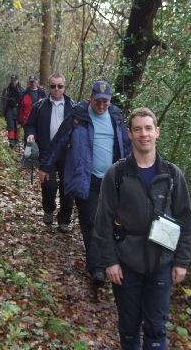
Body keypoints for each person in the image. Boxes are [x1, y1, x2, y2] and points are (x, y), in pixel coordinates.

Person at [93, 107, 191, 350]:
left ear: (157, 132)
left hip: (162, 261)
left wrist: (181, 261)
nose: (143, 134)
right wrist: (110, 261)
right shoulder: (117, 174)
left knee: (156, 325)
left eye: (148, 128)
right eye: (137, 129)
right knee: (129, 324)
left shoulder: (172, 175)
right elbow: (102, 222)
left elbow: (186, 221)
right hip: (127, 262)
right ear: (130, 134)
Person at [40, 80, 132, 285]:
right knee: (90, 221)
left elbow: (126, 146)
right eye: (98, 101)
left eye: (105, 102)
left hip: (111, 180)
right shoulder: (78, 116)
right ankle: (97, 268)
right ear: (90, 98)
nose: (101, 105)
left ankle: (109, 260)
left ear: (110, 101)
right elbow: (59, 141)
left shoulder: (116, 117)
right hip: (85, 177)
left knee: (110, 221)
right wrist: (46, 166)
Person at [24, 73, 75, 232]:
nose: (56, 89)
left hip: (67, 153)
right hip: (47, 152)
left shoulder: (73, 106)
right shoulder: (40, 106)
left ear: (65, 87)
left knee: (68, 187)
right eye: (53, 86)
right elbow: (29, 125)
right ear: (48, 87)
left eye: (60, 86)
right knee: (49, 184)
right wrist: (30, 135)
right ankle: (48, 209)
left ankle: (64, 220)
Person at [19, 75, 46, 143]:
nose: (33, 83)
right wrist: (20, 121)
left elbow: (46, 107)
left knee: (39, 139)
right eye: (31, 82)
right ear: (29, 82)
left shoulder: (42, 93)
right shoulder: (24, 93)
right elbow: (20, 107)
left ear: (37, 82)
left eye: (34, 81)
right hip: (27, 120)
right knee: (28, 140)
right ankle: (27, 150)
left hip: (39, 120)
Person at [0, 74, 24, 147]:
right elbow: (3, 100)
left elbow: (23, 101)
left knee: (18, 126)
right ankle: (11, 141)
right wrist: (3, 111)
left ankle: (17, 140)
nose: (14, 82)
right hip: (9, 109)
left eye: (15, 80)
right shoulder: (7, 89)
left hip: (18, 109)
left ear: (17, 80)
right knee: (10, 125)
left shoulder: (22, 89)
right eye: (12, 80)